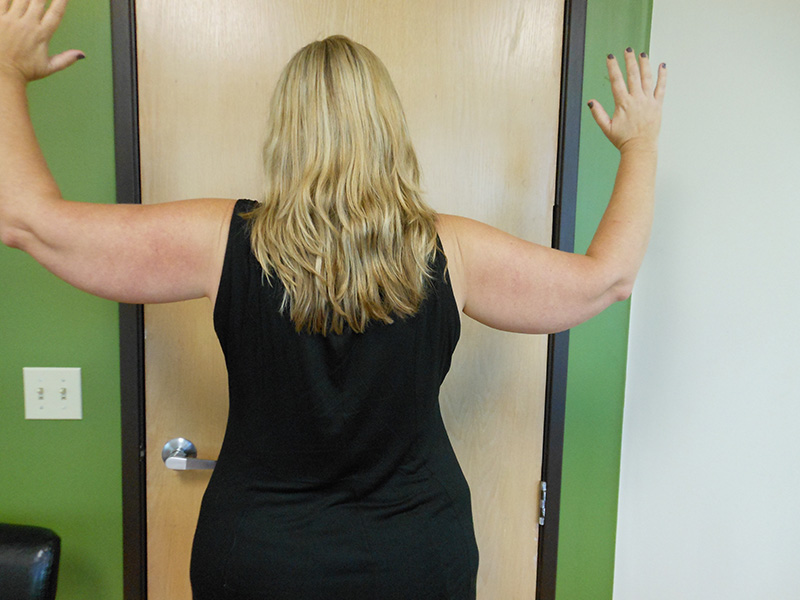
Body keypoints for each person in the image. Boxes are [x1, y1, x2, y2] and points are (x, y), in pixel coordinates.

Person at [0, 1, 666, 599]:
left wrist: (5, 73)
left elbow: (23, 219)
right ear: (388, 130)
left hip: (259, 561)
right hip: (417, 559)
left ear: (285, 133)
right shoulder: (452, 251)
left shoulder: (218, 239)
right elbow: (608, 279)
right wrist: (639, 146)